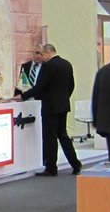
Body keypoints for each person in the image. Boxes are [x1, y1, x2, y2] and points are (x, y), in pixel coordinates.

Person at [20, 43, 80, 176]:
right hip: (63, 105)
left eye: (42, 54)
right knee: (63, 135)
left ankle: (51, 167)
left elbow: (40, 86)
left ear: (48, 53)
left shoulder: (48, 66)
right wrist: (64, 98)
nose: (42, 57)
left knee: (49, 137)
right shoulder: (67, 64)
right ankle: (75, 164)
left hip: (50, 106)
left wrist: (23, 96)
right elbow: (71, 85)